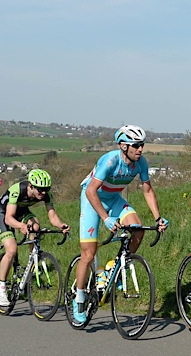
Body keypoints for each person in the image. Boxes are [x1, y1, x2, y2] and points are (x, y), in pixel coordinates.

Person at [71, 124, 168, 324]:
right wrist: (105, 218)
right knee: (88, 254)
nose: (140, 149)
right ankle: (79, 298)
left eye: (142, 145)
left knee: (137, 230)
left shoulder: (141, 163)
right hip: (92, 200)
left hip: (114, 199)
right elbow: (90, 191)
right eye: (136, 145)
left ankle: (113, 269)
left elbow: (148, 190)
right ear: (124, 146)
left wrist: (158, 218)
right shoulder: (110, 160)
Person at [0, 169, 70, 307]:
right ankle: (1, 288)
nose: (43, 193)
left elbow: (52, 216)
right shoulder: (17, 190)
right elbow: (9, 218)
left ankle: (32, 261)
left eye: (46, 189)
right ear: (31, 186)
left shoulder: (45, 194)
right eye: (40, 190)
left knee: (36, 227)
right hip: (4, 214)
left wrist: (60, 225)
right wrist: (21, 226)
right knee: (11, 250)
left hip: (22, 212)